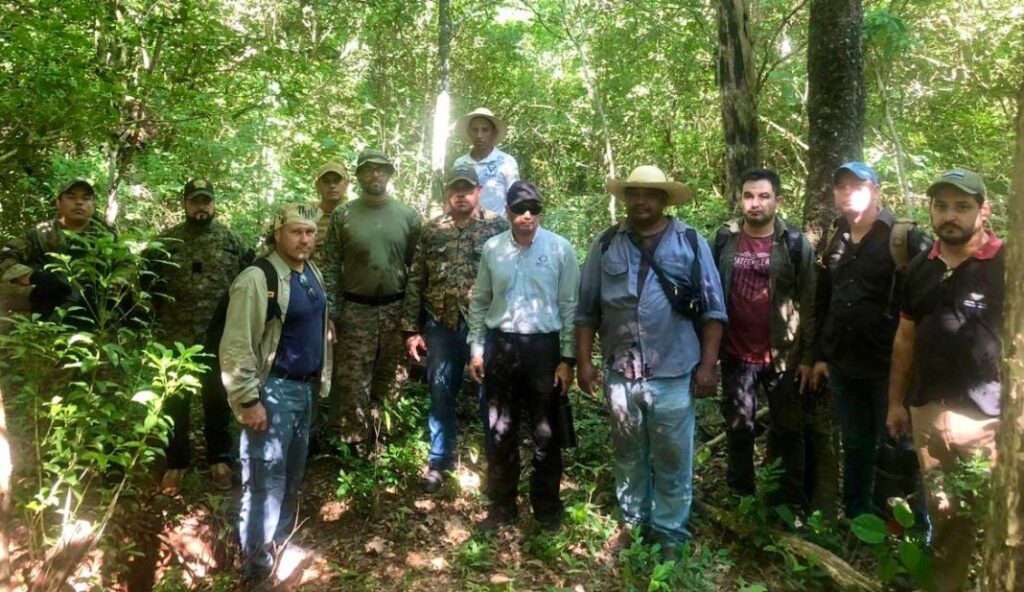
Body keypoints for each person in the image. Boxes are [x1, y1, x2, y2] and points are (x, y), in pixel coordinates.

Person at [575, 165, 727, 558]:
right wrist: (583, 362)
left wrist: (708, 366)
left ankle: (671, 533)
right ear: (625, 198)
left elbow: (713, 309)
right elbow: (586, 309)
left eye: (650, 194)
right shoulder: (606, 243)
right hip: (621, 371)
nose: (641, 201)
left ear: (664, 200)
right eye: (634, 193)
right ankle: (632, 523)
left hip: (675, 371)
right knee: (627, 454)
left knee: (673, 457)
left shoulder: (690, 242)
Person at [887, 169, 1003, 592]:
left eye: (961, 206)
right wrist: (896, 402)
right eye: (941, 206)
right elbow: (905, 337)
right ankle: (945, 584)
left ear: (983, 210)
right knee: (943, 510)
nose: (949, 216)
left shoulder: (1008, 263)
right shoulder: (920, 267)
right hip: (928, 411)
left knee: (992, 515)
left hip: (988, 415)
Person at [811, 161, 932, 520]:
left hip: (890, 370)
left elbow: (930, 303)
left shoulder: (904, 238)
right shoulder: (836, 237)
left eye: (857, 185)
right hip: (844, 367)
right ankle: (858, 522)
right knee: (856, 446)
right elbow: (824, 299)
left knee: (903, 451)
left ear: (876, 190)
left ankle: (916, 534)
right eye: (841, 186)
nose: (848, 192)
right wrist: (820, 355)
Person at [220, 203, 332, 586]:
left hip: (305, 389)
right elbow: (236, 345)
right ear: (277, 233)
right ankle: (256, 568)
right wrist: (248, 400)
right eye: (296, 232)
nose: (305, 239)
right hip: (274, 390)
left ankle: (278, 544)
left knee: (291, 475)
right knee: (264, 480)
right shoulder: (257, 277)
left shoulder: (309, 272)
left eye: (311, 232)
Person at [467, 181, 579, 531]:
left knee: (547, 434)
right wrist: (476, 348)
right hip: (500, 345)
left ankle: (546, 508)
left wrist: (568, 359)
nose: (526, 215)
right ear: (508, 211)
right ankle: (502, 507)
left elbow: (570, 306)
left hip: (543, 349)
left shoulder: (560, 249)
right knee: (500, 430)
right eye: (519, 209)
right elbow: (480, 300)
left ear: (540, 211)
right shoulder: (492, 249)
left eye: (533, 208)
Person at [712, 168, 816, 510]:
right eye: (748, 196)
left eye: (763, 196)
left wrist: (808, 358)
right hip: (735, 353)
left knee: (788, 432)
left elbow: (810, 303)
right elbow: (710, 296)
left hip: (784, 356)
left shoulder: (795, 245)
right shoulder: (724, 240)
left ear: (778, 201)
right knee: (739, 428)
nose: (755, 204)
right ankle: (741, 499)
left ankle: (787, 505)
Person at [401, 165, 508, 493]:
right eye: (454, 189)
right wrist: (410, 328)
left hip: (484, 324)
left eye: (467, 188)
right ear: (447, 193)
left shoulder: (497, 227)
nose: (461, 194)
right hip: (441, 323)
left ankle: (496, 463)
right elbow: (417, 277)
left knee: (489, 393)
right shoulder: (432, 230)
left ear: (479, 191)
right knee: (441, 390)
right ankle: (440, 460)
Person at [148, 179, 254, 495]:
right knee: (174, 401)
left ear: (214, 203)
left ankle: (219, 459)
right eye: (195, 201)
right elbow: (146, 283)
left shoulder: (233, 242)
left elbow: (251, 283)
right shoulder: (165, 243)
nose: (201, 207)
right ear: (185, 204)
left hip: (217, 336)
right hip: (174, 336)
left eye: (206, 201)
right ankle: (176, 463)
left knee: (217, 399)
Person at [323, 149, 422, 452]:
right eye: (368, 170)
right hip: (355, 309)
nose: (375, 175)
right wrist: (332, 313)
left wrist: (412, 321)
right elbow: (330, 265)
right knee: (353, 381)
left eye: (381, 170)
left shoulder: (408, 216)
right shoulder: (344, 215)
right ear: (359, 176)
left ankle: (383, 440)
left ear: (390, 175)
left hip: (395, 308)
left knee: (392, 377)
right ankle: (355, 444)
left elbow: (417, 269)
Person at [0, 179, 116, 320]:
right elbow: (5, 258)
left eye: (86, 198)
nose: (79, 202)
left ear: (93, 205)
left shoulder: (106, 236)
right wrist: (31, 277)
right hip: (47, 309)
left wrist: (116, 285)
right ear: (58, 203)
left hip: (96, 312)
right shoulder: (41, 233)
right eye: (71, 197)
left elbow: (127, 266)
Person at [452, 108, 520, 217]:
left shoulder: (506, 162)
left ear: (493, 133)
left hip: (498, 228)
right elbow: (454, 196)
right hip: (467, 227)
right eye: (475, 130)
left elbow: (515, 198)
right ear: (469, 132)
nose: (479, 135)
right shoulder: (460, 163)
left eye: (485, 130)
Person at [310, 161, 349, 268]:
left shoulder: (355, 213)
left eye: (337, 181)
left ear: (346, 184)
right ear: (318, 186)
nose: (332, 186)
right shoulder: (306, 214)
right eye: (326, 182)